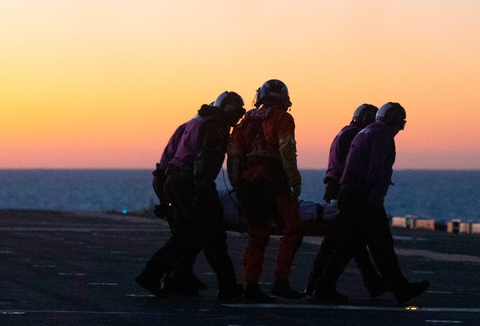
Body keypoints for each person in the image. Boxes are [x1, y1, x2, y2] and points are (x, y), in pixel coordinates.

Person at [312, 102, 429, 305]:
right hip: (362, 196)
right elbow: (376, 170)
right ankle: (325, 286)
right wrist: (376, 198)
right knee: (370, 244)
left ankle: (393, 287)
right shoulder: (382, 136)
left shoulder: (364, 132)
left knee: (361, 243)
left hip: (350, 193)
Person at [136, 92, 246, 301]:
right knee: (212, 235)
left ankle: (173, 277)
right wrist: (203, 194)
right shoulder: (217, 127)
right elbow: (205, 163)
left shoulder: (197, 121)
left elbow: (170, 156)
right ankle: (226, 286)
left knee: (188, 235)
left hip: (175, 181)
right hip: (192, 184)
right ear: (228, 109)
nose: (238, 117)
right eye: (237, 112)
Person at [227, 79, 304, 302]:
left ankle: (251, 285)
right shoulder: (283, 118)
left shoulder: (246, 120)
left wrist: (237, 185)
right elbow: (287, 149)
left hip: (249, 184)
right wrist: (294, 180)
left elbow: (233, 154)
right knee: (293, 229)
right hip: (274, 182)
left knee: (257, 235)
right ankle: (280, 281)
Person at [305, 103, 387, 297]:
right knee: (348, 241)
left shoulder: (344, 133)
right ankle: (324, 285)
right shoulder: (355, 136)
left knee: (342, 242)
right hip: (345, 192)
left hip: (334, 190)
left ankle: (315, 284)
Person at [147, 118, 204, 295]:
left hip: (165, 178)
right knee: (186, 233)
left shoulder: (187, 126)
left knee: (186, 233)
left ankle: (181, 275)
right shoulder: (197, 128)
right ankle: (164, 276)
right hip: (171, 180)